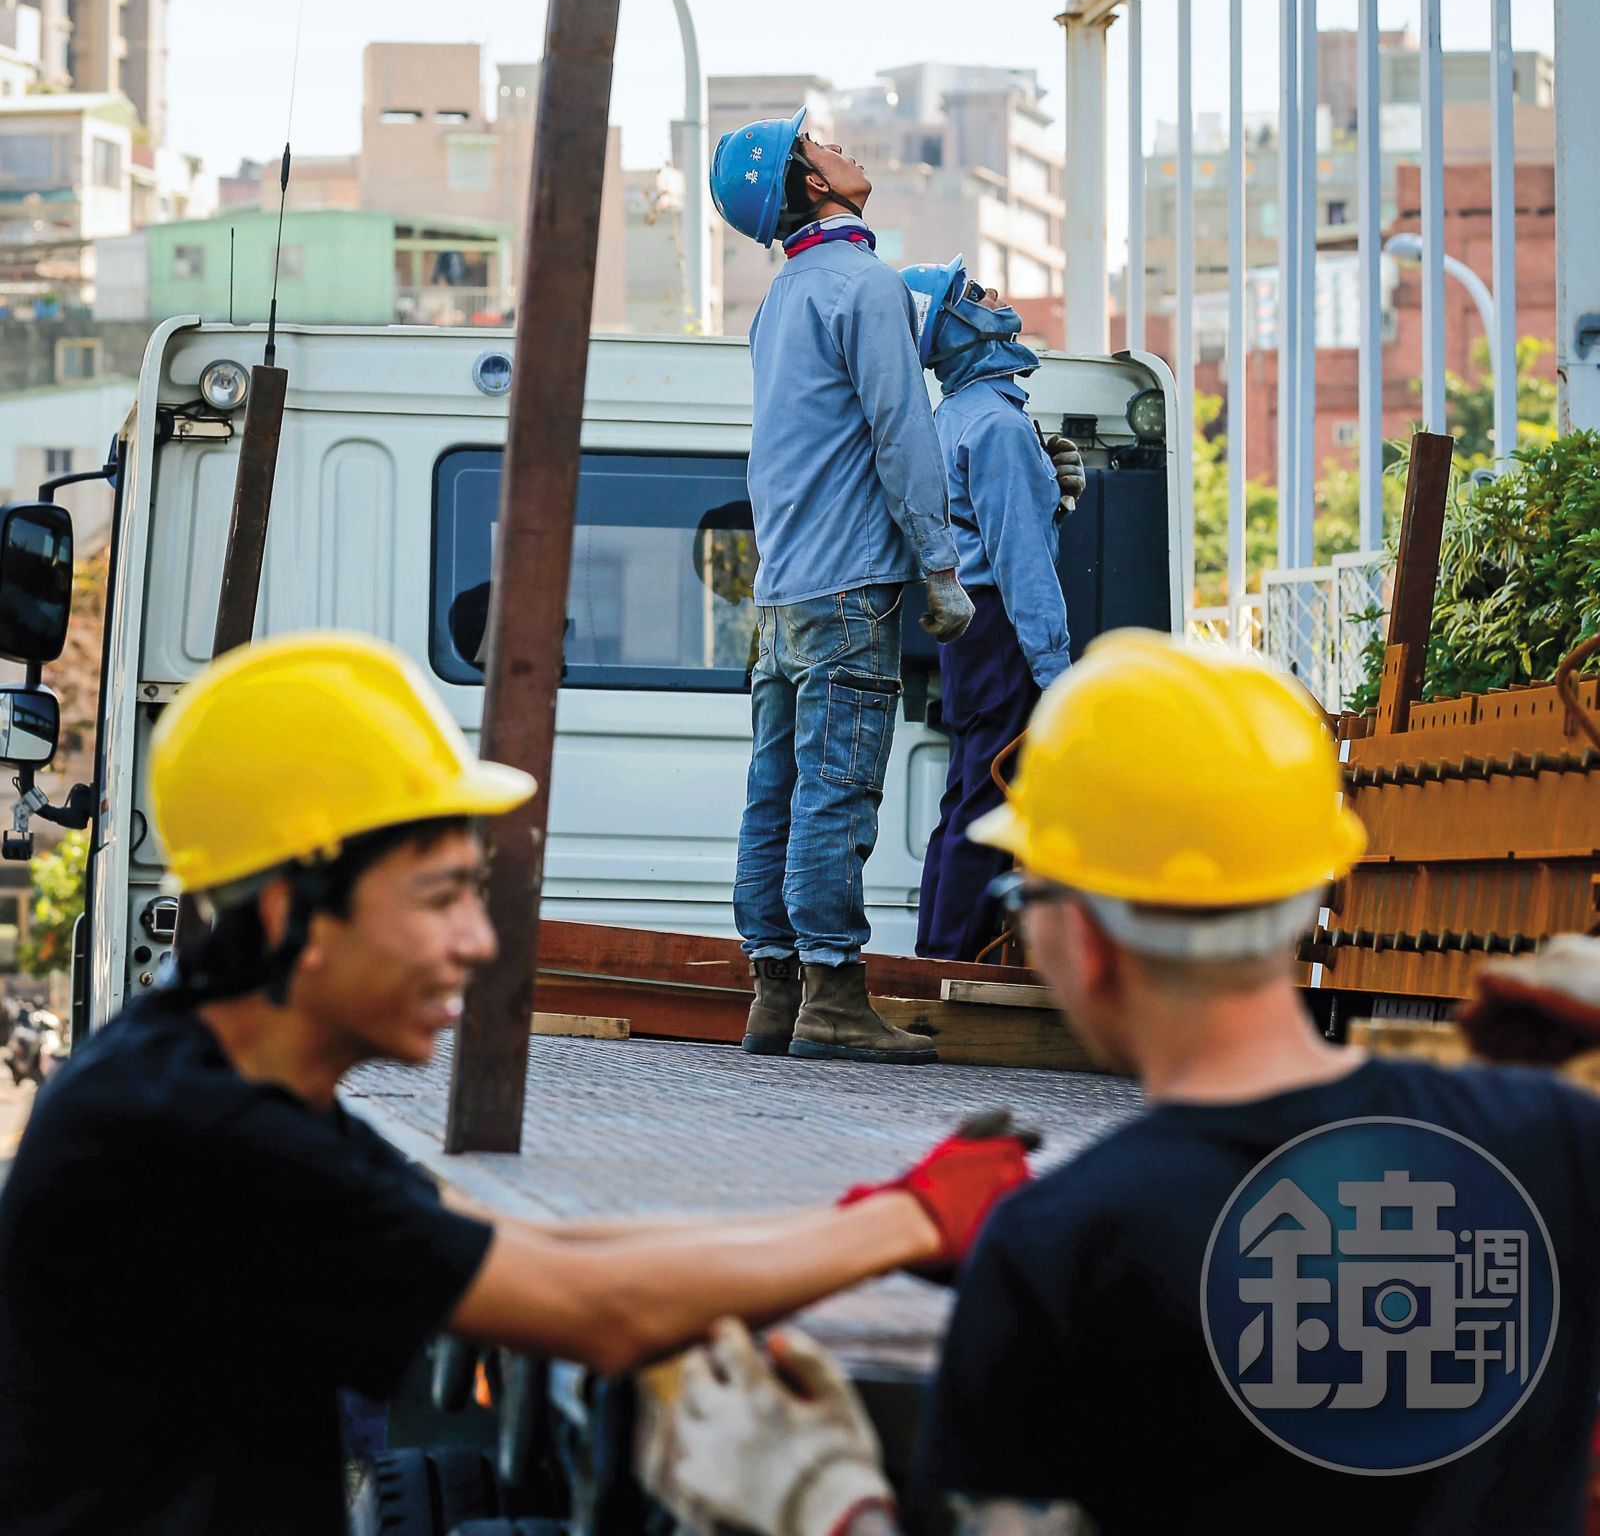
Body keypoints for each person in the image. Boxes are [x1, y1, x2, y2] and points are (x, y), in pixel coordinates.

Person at [0, 631, 1035, 1536]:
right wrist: (908, 1223)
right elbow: (595, 1311)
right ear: (287, 913)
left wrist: (858, 1219)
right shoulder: (191, 1134)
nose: (477, 942)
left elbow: (546, 1252)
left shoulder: (207, 1078)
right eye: (441, 898)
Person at [641, 634, 1600, 1536]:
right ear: (1309, 893)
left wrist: (825, 1502)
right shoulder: (1555, 1138)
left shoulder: (1065, 1250)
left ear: (1087, 941)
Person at [711, 110, 973, 1064]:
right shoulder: (865, 289)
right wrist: (940, 569)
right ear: (809, 185)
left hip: (779, 593)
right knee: (836, 790)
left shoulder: (782, 300)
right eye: (818, 144)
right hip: (849, 587)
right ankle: (833, 999)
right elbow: (904, 438)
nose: (841, 148)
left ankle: (773, 995)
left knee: (773, 792)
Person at [900, 258, 1083, 959]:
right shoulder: (997, 427)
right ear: (953, 328)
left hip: (970, 632)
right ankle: (951, 965)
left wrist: (1055, 502)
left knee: (969, 795)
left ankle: (936, 954)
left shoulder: (953, 417)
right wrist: (1053, 669)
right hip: (1002, 628)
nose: (994, 296)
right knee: (991, 801)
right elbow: (1021, 561)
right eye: (973, 294)